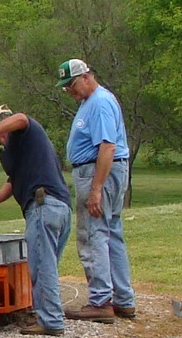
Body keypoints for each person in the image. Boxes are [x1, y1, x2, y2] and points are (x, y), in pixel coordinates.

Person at [0, 103, 71, 335]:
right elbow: (13, 182)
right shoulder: (14, 152)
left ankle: (51, 321)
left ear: (0, 128)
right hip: (56, 207)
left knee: (42, 267)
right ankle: (46, 313)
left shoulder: (27, 131)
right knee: (45, 264)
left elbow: (21, 117)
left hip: (43, 205)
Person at [57, 57, 135, 321]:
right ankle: (123, 299)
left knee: (93, 234)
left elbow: (107, 147)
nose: (70, 91)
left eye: (72, 84)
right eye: (66, 87)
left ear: (87, 76)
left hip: (97, 170)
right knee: (112, 233)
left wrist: (96, 188)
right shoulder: (91, 102)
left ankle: (101, 300)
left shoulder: (100, 102)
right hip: (102, 170)